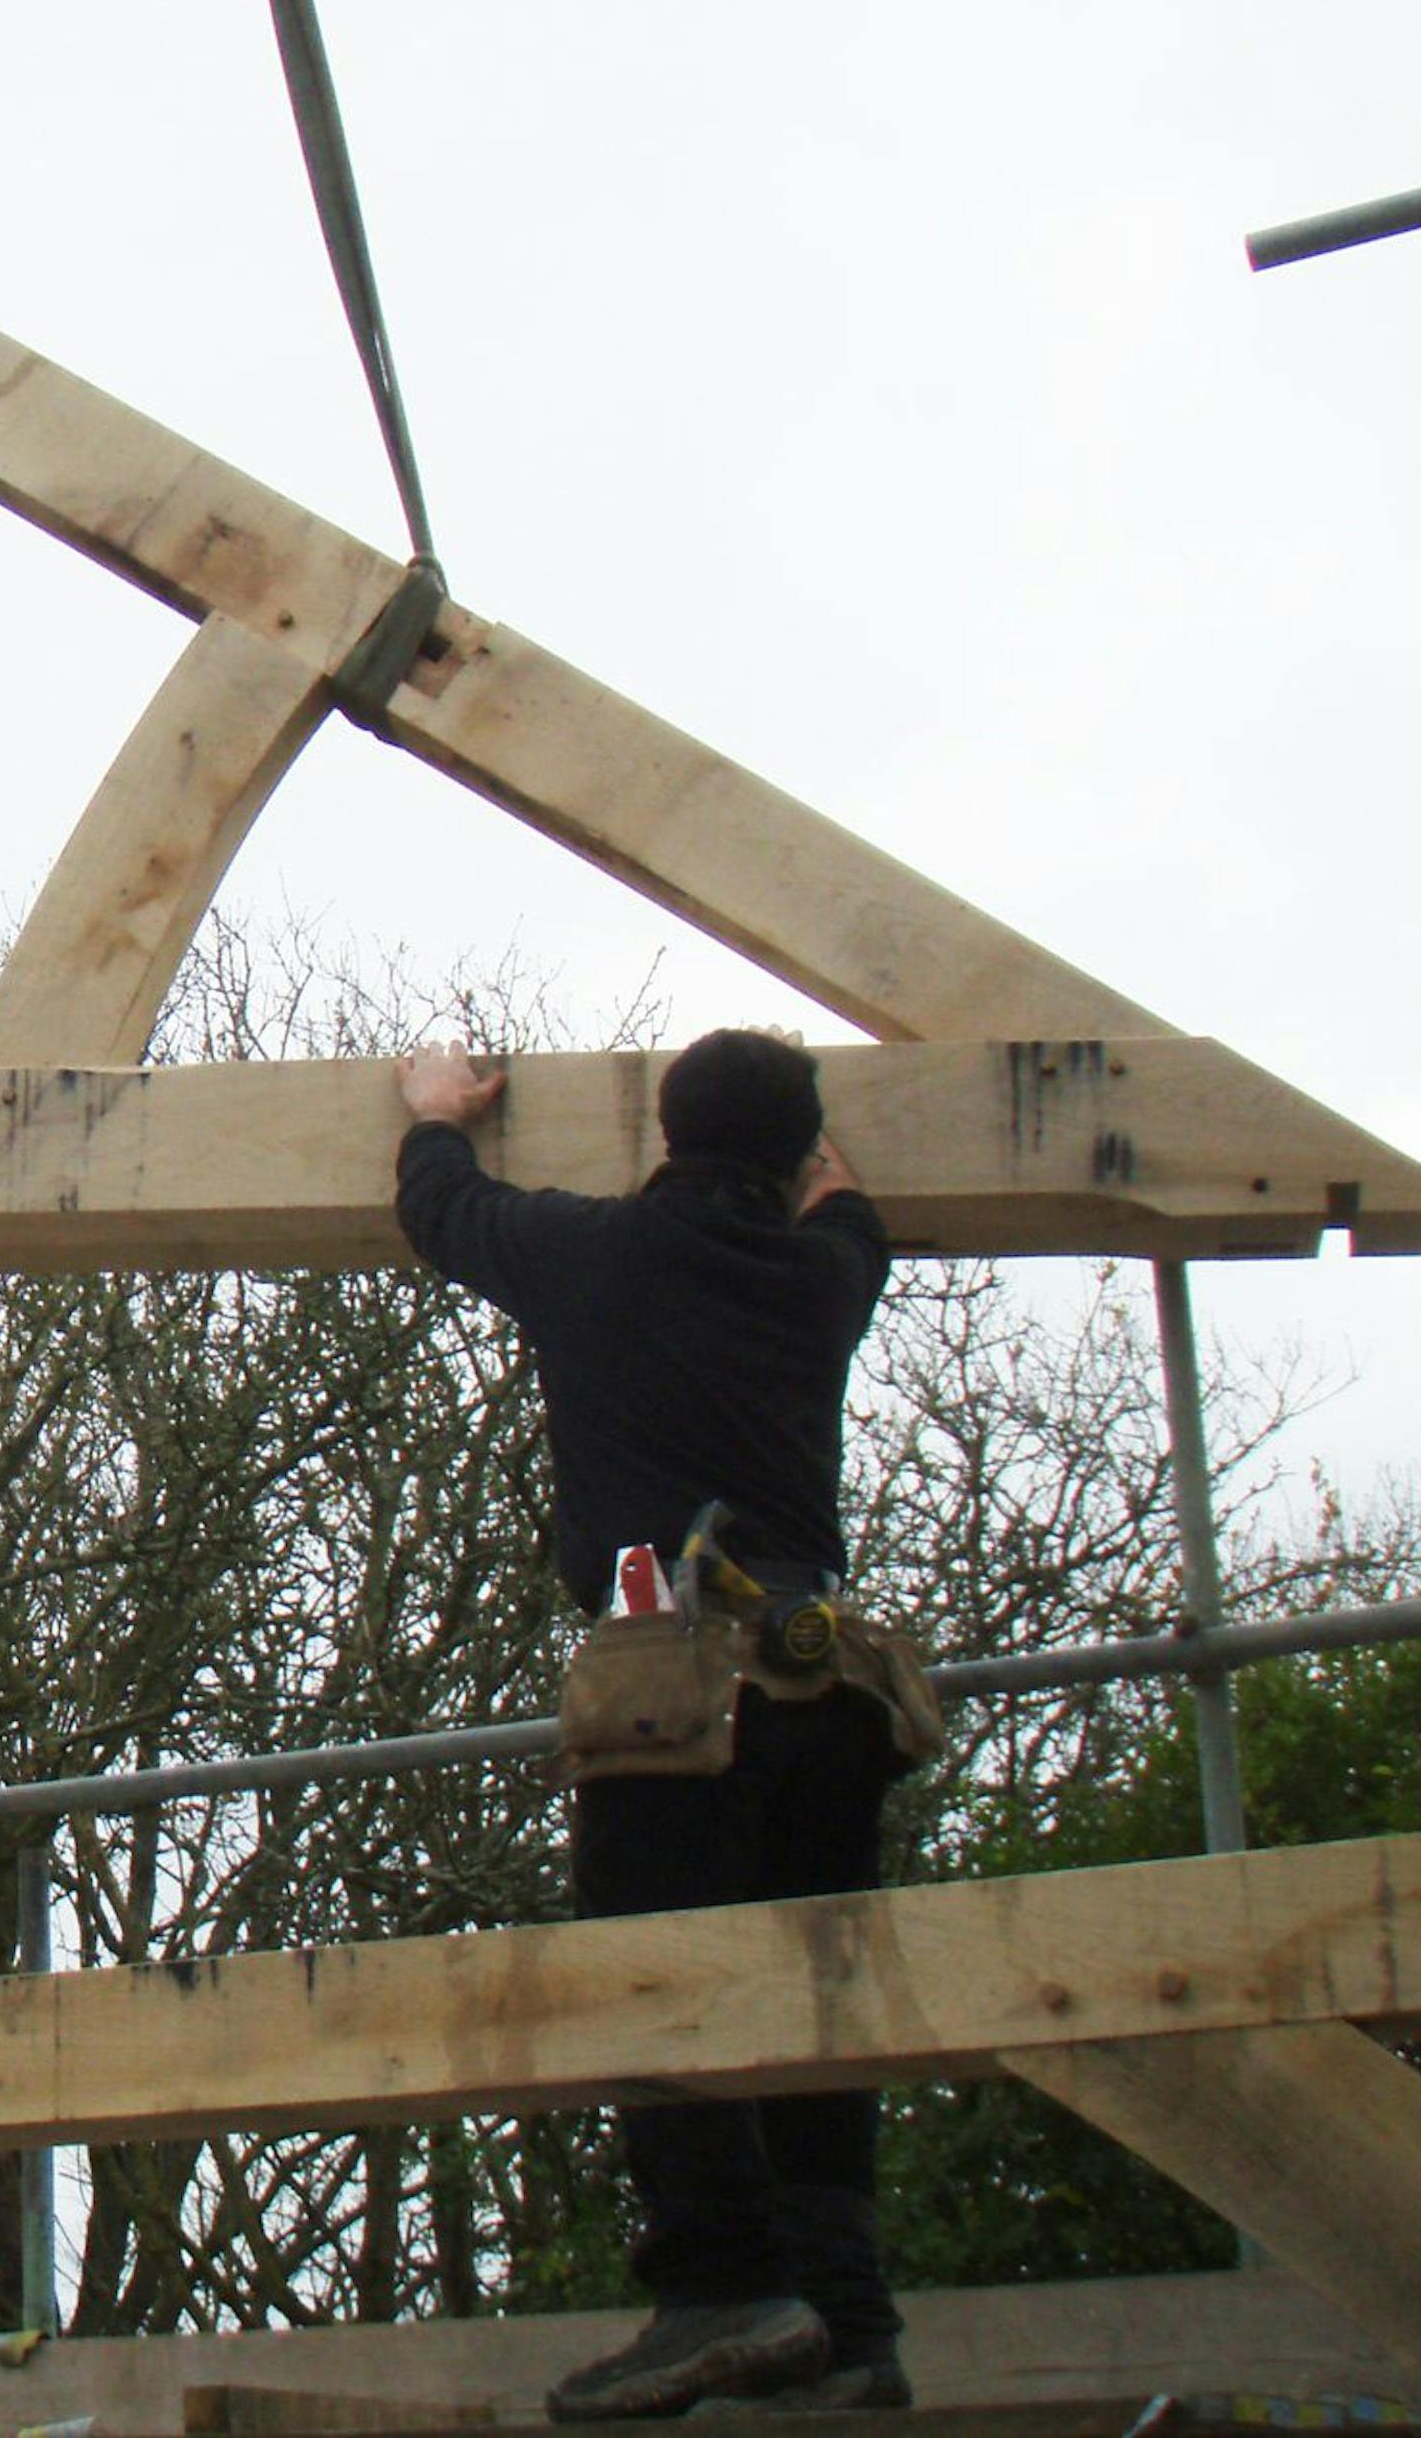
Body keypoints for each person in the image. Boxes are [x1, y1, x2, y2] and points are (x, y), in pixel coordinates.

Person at [395, 1028, 933, 2419]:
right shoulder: (824, 1279)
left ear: (665, 1139)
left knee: (656, 1978)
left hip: (673, 1682)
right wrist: (821, 1165)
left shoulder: (595, 1254)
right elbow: (851, 1208)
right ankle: (850, 2318)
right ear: (790, 1149)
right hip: (826, 1687)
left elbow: (442, 1211)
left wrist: (436, 1114)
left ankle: (721, 2287)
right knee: (821, 1989)